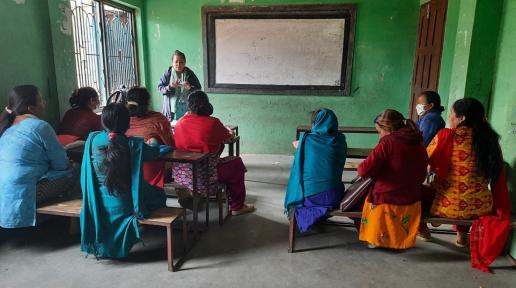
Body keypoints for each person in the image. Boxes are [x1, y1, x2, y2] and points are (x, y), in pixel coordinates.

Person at [420, 98, 511, 262]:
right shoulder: (490, 141)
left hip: (447, 207)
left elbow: (423, 160)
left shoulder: (445, 136)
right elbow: (498, 175)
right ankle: (462, 237)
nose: (449, 118)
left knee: (416, 193)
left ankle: (423, 230)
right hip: (480, 207)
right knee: (465, 191)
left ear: (462, 118)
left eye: (452, 114)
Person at [80, 103, 166, 258]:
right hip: (127, 205)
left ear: (103, 121)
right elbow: (154, 153)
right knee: (159, 195)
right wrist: (153, 142)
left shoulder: (92, 140)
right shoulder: (134, 144)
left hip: (98, 204)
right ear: (128, 124)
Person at [0, 85, 78, 228]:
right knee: (76, 170)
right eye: (41, 100)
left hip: (4, 192)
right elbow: (61, 164)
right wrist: (69, 164)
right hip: (27, 192)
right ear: (31, 108)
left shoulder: (7, 127)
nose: (44, 103)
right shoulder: (40, 126)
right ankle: (75, 223)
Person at [173, 91, 255, 215]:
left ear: (189, 106)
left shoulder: (180, 122)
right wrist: (228, 131)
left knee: (214, 151)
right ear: (206, 104)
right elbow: (229, 138)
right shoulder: (213, 123)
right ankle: (237, 207)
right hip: (205, 176)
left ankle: (195, 195)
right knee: (236, 163)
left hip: (182, 177)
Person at [357, 109, 428, 249]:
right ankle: (401, 239)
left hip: (388, 198)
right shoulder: (418, 142)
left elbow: (363, 170)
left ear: (387, 129)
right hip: (413, 197)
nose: (379, 136)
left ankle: (377, 238)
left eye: (379, 132)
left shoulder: (388, 143)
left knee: (367, 194)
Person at [284, 109, 347, 233]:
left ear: (315, 123)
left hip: (311, 198)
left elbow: (298, 170)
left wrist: (301, 144)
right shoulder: (341, 140)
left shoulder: (306, 140)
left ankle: (305, 215)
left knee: (299, 183)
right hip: (335, 195)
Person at [125, 86, 174, 189]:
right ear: (148, 102)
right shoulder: (159, 119)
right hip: (150, 172)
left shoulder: (122, 120)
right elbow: (171, 144)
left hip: (126, 173)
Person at [158, 50, 202, 122]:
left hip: (187, 108)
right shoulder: (167, 74)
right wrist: (170, 87)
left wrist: (190, 87)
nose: (178, 64)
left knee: (185, 128)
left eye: (181, 62)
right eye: (176, 62)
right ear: (172, 63)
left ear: (185, 63)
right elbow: (160, 88)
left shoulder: (190, 74)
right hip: (171, 109)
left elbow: (198, 89)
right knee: (172, 129)